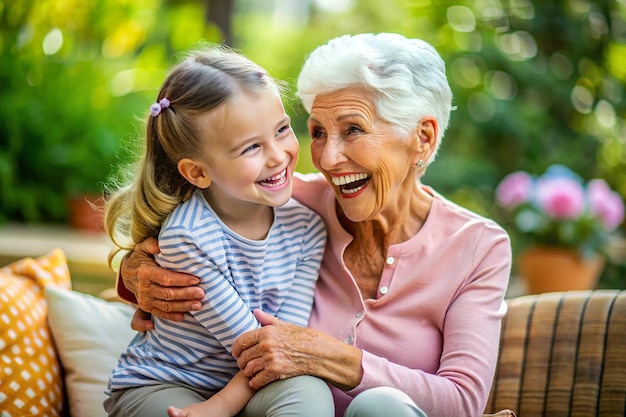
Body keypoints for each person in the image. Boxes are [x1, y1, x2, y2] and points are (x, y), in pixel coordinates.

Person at [117, 33, 512, 417]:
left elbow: (462, 403)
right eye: (318, 133)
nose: (328, 157)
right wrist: (136, 275)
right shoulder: (284, 199)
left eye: (353, 129)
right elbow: (182, 233)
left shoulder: (478, 247)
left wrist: (332, 358)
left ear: (422, 138)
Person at [101, 44, 332, 417]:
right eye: (251, 147)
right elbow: (248, 343)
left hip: (248, 387)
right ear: (197, 172)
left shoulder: (308, 227)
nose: (278, 155)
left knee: (308, 390)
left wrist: (222, 406)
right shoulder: (188, 236)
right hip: (166, 383)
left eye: (282, 129)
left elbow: (283, 344)